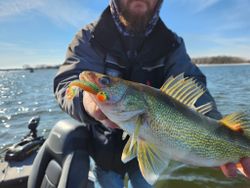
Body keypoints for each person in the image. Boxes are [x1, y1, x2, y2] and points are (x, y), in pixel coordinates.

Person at [54, 0, 250, 187]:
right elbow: (67, 82)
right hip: (102, 152)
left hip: (149, 154)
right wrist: (86, 101)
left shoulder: (172, 44)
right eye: (106, 82)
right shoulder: (90, 36)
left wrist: (212, 122)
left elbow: (193, 84)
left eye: (105, 80)